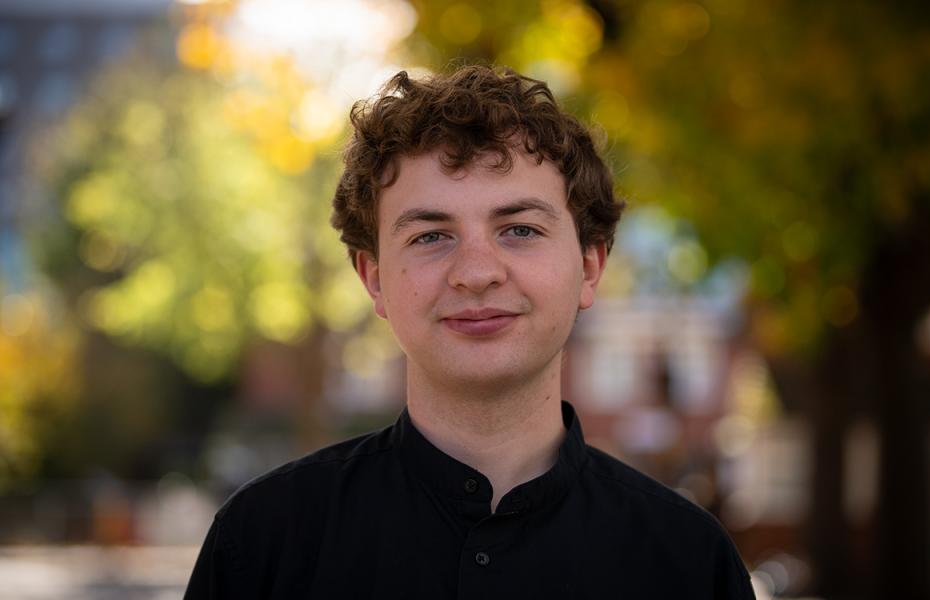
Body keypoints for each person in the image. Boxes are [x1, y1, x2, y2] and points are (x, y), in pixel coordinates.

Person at [184, 65, 756, 599]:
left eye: (520, 230)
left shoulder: (688, 563)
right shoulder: (262, 545)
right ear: (374, 279)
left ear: (589, 267)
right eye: (431, 236)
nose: (478, 272)